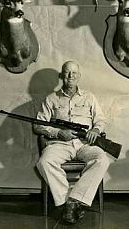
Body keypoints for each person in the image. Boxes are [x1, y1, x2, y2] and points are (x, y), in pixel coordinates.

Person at [34, 61, 110, 224]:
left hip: (85, 144)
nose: (70, 76)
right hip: (60, 144)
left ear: (79, 76)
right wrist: (58, 132)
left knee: (102, 159)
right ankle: (67, 202)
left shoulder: (90, 97)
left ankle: (73, 201)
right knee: (44, 162)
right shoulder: (51, 99)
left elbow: (101, 119)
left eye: (74, 73)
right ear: (61, 76)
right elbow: (39, 125)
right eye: (67, 72)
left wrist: (95, 130)